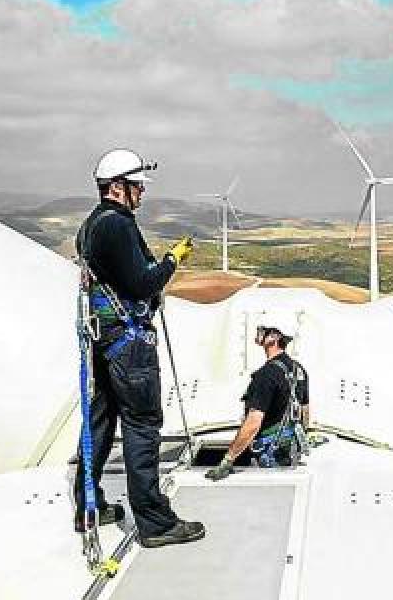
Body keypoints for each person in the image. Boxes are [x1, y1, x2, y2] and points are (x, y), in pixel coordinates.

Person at [74, 148, 205, 549]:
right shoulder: (117, 225)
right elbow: (144, 282)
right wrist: (171, 261)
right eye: (136, 187)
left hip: (103, 343)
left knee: (98, 425)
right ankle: (154, 522)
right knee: (142, 427)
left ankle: (87, 506)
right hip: (130, 346)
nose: (141, 195)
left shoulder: (90, 226)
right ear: (117, 187)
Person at [205, 325, 309, 481]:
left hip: (269, 451)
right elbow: (305, 411)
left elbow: (253, 423)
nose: (258, 333)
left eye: (263, 331)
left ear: (274, 338)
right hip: (290, 448)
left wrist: (228, 460)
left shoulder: (266, 375)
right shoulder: (298, 369)